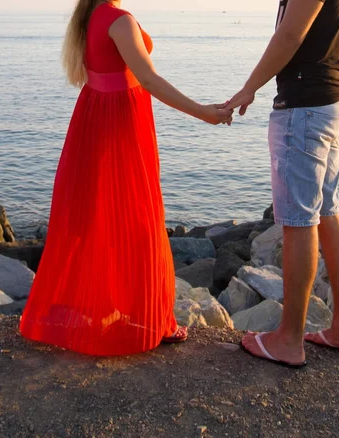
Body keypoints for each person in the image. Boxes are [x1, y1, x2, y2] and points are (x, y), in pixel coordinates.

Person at [20, 0, 233, 356]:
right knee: (140, 220)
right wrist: (205, 113)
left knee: (101, 219)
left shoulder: (89, 17)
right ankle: (152, 319)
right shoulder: (119, 20)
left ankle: (103, 309)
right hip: (121, 128)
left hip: (95, 121)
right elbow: (148, 79)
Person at [227, 0, 339, 368]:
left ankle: (288, 339)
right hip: (330, 99)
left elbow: (290, 35)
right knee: (325, 212)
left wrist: (248, 88)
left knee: (299, 219)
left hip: (305, 107)